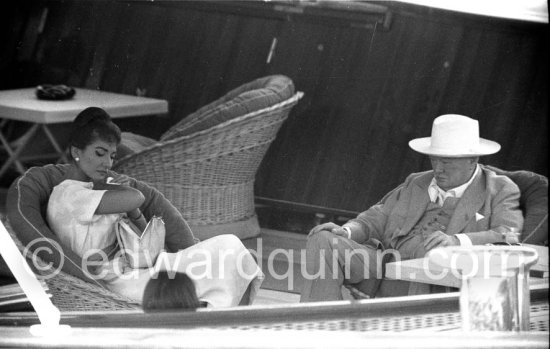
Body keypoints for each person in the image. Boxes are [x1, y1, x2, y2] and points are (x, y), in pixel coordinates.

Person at [45, 107, 263, 307]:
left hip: (138, 266)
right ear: (76, 152)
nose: (108, 164)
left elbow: (142, 232)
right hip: (118, 281)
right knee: (226, 256)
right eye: (100, 153)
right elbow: (136, 197)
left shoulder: (96, 191)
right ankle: (223, 322)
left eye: (112, 156)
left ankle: (228, 323)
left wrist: (131, 209)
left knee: (230, 247)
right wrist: (121, 193)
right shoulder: (69, 194)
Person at [301, 114, 524, 302]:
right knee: (323, 239)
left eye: (447, 162)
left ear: (472, 160)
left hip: (436, 278)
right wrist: (347, 230)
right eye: (434, 160)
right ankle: (316, 330)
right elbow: (376, 217)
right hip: (383, 265)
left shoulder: (499, 189)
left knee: (430, 258)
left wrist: (458, 241)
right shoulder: (417, 181)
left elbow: (509, 235)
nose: (438, 168)